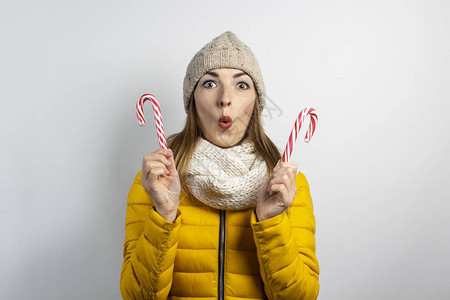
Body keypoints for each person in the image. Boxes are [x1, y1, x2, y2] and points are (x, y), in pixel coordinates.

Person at [120, 31, 320, 300]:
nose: (225, 98)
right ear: (193, 100)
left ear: (256, 103)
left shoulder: (287, 186)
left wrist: (271, 222)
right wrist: (164, 213)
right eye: (210, 84)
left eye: (241, 85)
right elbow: (137, 297)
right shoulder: (156, 182)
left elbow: (300, 297)